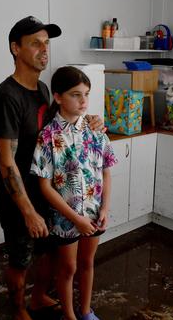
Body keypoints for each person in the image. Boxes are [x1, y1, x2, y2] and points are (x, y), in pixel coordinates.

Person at [0, 16, 103, 320]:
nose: (44, 49)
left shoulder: (40, 89)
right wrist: (28, 211)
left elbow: (61, 124)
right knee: (21, 261)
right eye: (35, 43)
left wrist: (91, 121)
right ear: (15, 48)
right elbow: (6, 160)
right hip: (18, 200)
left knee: (51, 254)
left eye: (46, 43)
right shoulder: (5, 97)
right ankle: (20, 311)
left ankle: (38, 298)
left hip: (46, 192)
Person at [31, 66, 117, 320]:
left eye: (86, 94)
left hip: (93, 214)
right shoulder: (47, 136)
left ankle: (86, 311)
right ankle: (69, 315)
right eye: (75, 95)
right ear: (57, 97)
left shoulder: (95, 131)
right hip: (65, 218)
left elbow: (107, 171)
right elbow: (44, 187)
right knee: (68, 268)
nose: (83, 101)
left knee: (88, 263)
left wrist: (104, 209)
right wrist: (75, 218)